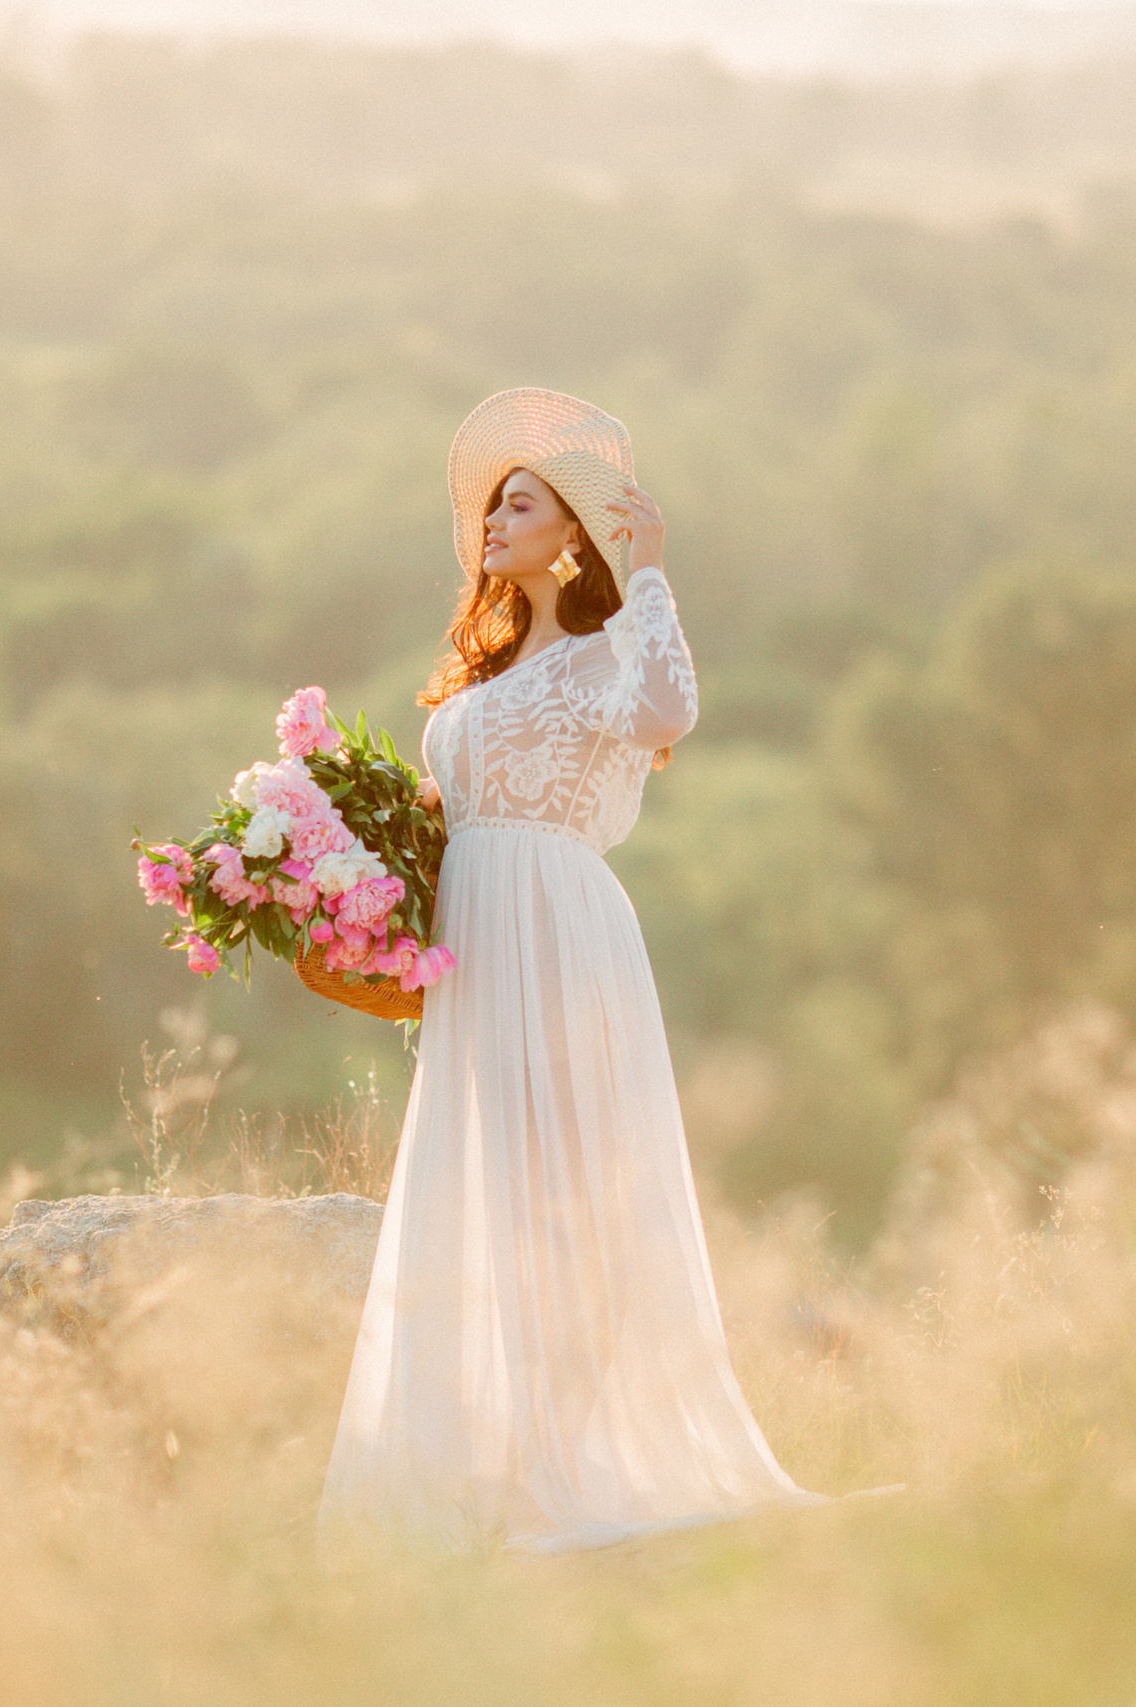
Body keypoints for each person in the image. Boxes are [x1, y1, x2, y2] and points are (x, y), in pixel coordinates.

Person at [317, 388, 824, 1555]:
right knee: (485, 1171)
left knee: (564, 1175)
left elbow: (665, 710)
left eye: (521, 503)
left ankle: (574, 1453)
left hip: (557, 921)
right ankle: (482, 1455)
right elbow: (445, 813)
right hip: (477, 933)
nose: (494, 522)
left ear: (573, 536)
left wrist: (649, 572)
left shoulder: (608, 657)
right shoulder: (483, 676)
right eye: (492, 505)